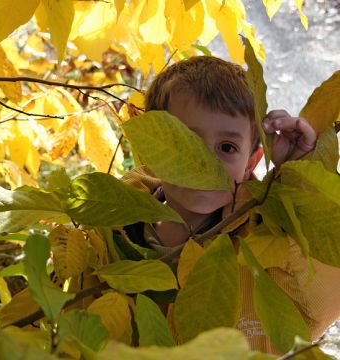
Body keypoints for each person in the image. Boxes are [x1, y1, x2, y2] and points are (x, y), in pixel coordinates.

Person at [122, 56, 340, 353]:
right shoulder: (113, 228)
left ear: (250, 163)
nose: (205, 162)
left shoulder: (271, 251)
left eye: (226, 148)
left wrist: (298, 181)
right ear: (153, 150)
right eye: (187, 141)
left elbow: (328, 289)